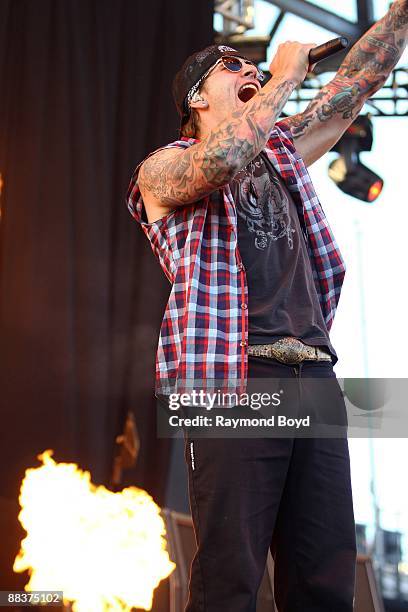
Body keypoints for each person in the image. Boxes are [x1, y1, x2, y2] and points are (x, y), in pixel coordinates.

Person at [127, 3, 408, 610]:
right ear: (199, 98)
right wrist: (281, 77)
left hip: (312, 377)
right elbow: (222, 160)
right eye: (235, 65)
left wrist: (401, 18)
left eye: (253, 65)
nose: (250, 67)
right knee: (231, 574)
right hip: (234, 378)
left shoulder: (282, 151)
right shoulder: (163, 168)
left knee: (324, 577)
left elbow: (356, 85)